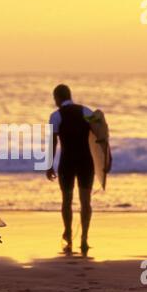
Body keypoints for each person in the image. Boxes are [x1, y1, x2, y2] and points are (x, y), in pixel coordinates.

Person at [46, 84, 94, 255]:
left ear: (57, 98)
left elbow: (53, 142)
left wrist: (49, 164)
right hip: (86, 162)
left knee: (67, 200)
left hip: (67, 163)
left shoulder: (55, 116)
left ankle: (68, 234)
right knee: (85, 201)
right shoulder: (87, 112)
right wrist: (105, 159)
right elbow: (101, 134)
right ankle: (84, 239)